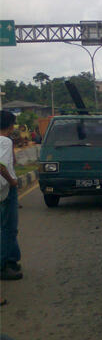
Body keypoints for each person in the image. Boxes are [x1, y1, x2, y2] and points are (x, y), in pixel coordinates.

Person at [0, 110, 22, 281]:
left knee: (6, 226)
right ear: (10, 125)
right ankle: (5, 264)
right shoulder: (5, 141)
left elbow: (11, 162)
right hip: (6, 188)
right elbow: (1, 165)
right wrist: (12, 181)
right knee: (9, 227)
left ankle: (12, 258)